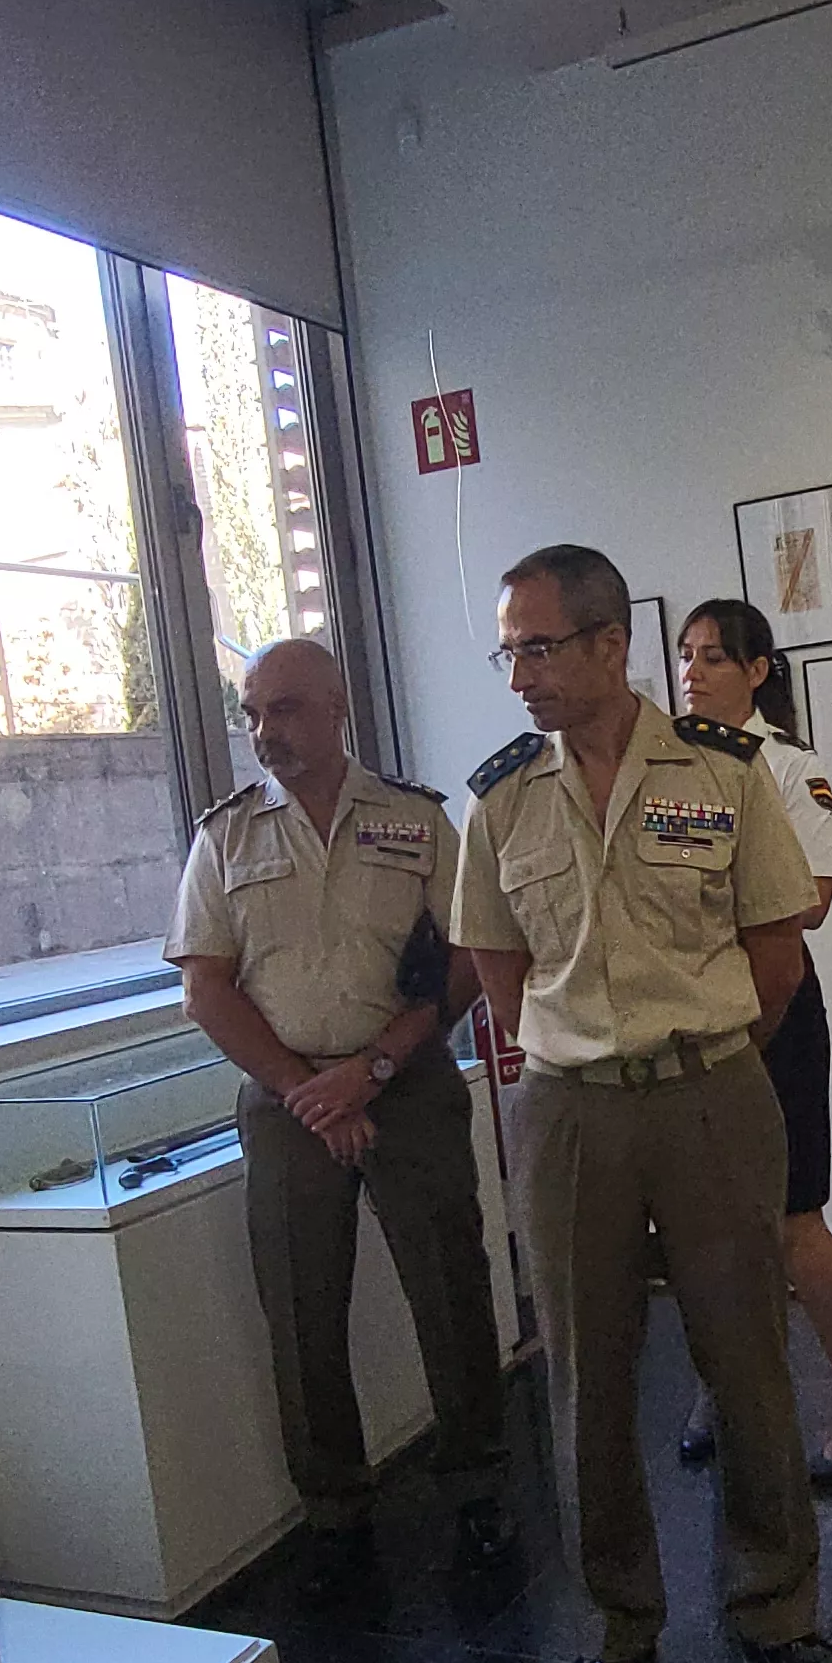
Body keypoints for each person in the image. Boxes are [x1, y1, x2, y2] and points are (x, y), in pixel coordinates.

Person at [450, 544, 832, 1663]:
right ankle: (620, 1631)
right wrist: (588, 1054)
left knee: (748, 1360)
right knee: (588, 1378)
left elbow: (775, 952)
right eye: (508, 647)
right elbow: (496, 966)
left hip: (712, 1091)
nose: (517, 671)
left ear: (610, 642)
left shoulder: (726, 775)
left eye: (537, 644)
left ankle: (775, 1609)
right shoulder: (503, 793)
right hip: (571, 1107)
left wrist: (689, 1055)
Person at [169, 637, 510, 1592]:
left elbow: (471, 955)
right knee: (300, 1308)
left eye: (282, 709)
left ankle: (479, 1486)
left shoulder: (415, 820)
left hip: (405, 1083)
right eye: (251, 714)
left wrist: (376, 1066)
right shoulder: (225, 837)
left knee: (450, 1290)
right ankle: (335, 1508)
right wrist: (308, 1092)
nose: (262, 732)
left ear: (336, 706)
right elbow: (206, 989)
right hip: (289, 1105)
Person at [669, 599, 832, 1485]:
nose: (693, 672)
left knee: (792, 1220)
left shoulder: (787, 769)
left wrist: (714, 899)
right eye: (685, 656)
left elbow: (813, 897)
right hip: (693, 1007)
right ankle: (724, 1387)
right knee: (709, 1227)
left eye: (714, 658)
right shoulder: (665, 769)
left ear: (758, 671)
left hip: (774, 1007)